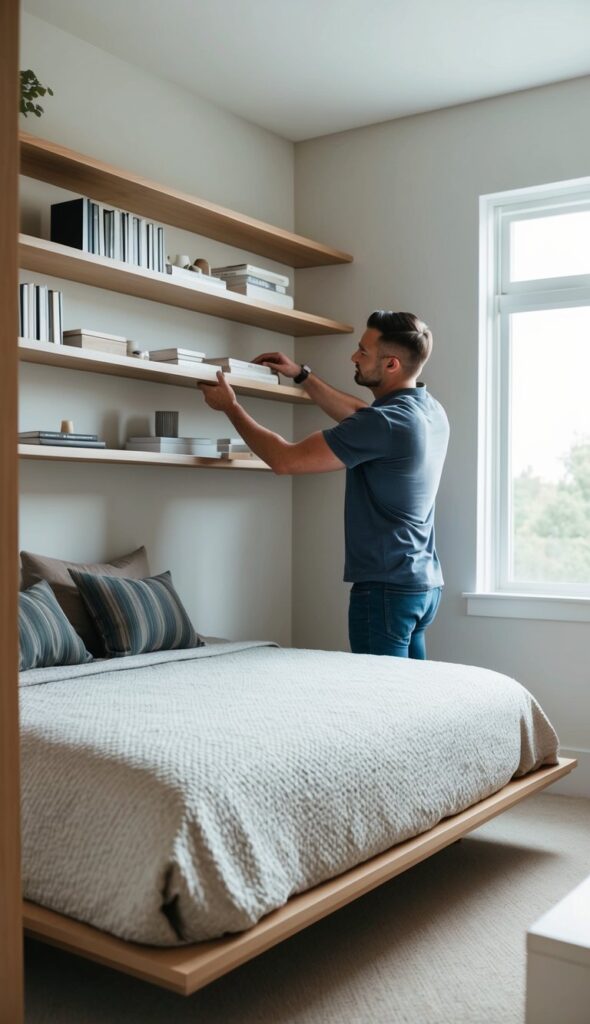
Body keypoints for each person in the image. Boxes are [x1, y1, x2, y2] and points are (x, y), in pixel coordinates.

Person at [201, 310, 449, 659]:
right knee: (413, 700)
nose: (354, 357)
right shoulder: (429, 411)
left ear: (391, 364)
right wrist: (302, 375)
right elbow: (362, 415)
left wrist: (230, 407)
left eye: (363, 351)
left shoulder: (384, 424)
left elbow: (285, 460)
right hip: (422, 585)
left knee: (381, 700)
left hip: (385, 589)